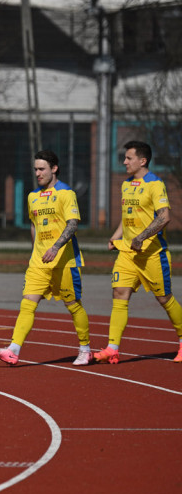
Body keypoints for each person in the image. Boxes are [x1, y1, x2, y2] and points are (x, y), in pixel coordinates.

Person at [0, 151, 92, 366]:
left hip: (65, 260)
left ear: (54, 168)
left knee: (73, 305)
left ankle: (85, 349)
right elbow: (34, 225)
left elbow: (72, 224)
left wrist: (55, 247)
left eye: (42, 169)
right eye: (35, 169)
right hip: (38, 262)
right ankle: (13, 350)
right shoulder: (32, 196)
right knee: (27, 304)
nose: (38, 173)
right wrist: (36, 250)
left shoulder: (66, 193)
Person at [93, 140, 182, 364]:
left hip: (152, 253)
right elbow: (127, 217)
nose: (124, 162)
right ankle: (112, 347)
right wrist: (116, 236)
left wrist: (142, 237)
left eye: (128, 158)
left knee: (164, 298)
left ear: (142, 161)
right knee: (119, 294)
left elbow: (164, 217)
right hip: (128, 253)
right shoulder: (126, 185)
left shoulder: (155, 184)